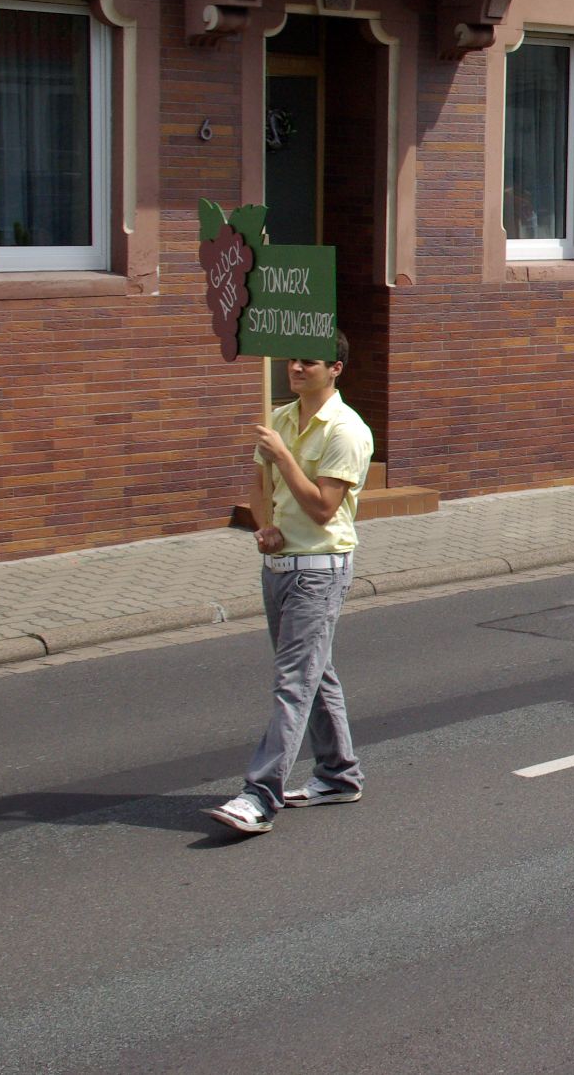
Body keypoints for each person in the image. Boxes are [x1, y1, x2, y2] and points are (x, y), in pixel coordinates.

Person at [207, 332, 375, 835]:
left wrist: (283, 456)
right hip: (279, 568)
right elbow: (259, 488)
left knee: (293, 682)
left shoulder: (346, 431)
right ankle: (339, 774)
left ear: (336, 369)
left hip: (320, 570)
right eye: (293, 361)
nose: (296, 369)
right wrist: (263, 525)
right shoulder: (280, 418)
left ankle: (260, 795)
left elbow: (324, 509)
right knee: (314, 673)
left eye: (309, 362)